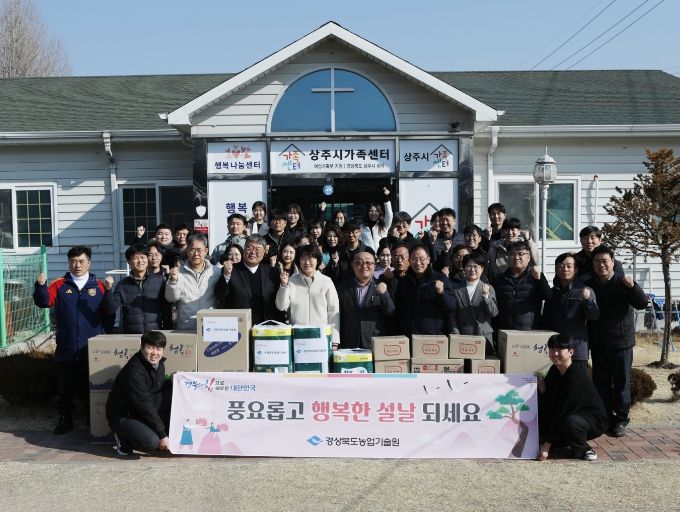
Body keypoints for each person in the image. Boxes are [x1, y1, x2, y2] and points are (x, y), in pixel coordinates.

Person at [33, 245, 114, 435]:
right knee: (65, 388)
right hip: (67, 346)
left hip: (92, 348)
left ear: (89, 263)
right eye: (73, 261)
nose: (77, 265)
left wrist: (105, 334)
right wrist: (41, 286)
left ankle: (92, 418)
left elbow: (109, 312)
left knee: (91, 386)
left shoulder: (99, 285)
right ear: (69, 263)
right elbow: (44, 301)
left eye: (81, 261)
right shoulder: (59, 284)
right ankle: (65, 419)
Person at [585, 246, 648, 437]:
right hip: (599, 343)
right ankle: (605, 418)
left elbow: (642, 303)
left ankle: (621, 419)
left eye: (605, 261)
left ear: (613, 262)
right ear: (593, 264)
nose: (601, 265)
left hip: (622, 343)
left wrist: (633, 286)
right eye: (597, 261)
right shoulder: (589, 284)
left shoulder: (623, 282)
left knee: (622, 384)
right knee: (601, 384)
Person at [537, 334, 608, 462]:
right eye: (552, 349)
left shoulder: (576, 376)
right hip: (570, 413)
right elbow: (550, 401)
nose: (555, 353)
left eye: (560, 349)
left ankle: (584, 449)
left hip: (592, 419)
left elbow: (563, 411)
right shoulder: (554, 370)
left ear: (571, 352)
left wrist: (547, 445)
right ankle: (560, 441)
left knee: (571, 422)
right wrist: (542, 387)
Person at [106, 331, 173, 456]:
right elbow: (144, 404)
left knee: (172, 393)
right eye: (150, 347)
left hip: (141, 408)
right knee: (152, 442)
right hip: (125, 415)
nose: (154, 353)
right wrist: (162, 435)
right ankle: (123, 437)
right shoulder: (134, 371)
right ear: (142, 347)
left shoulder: (158, 364)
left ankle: (155, 429)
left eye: (158, 349)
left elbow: (157, 388)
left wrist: (176, 381)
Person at [542, 252, 599, 372]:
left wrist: (588, 300)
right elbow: (545, 320)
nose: (565, 269)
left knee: (577, 382)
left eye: (569, 266)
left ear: (576, 270)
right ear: (556, 269)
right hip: (555, 350)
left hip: (577, 349)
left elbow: (594, 316)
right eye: (561, 266)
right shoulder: (551, 293)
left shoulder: (584, 290)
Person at [275, 244, 340, 348]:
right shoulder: (291, 281)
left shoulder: (326, 281)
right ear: (298, 261)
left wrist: (334, 341)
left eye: (311, 258)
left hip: (321, 337)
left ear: (317, 260)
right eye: (303, 259)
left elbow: (333, 311)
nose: (307, 262)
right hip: (298, 337)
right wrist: (284, 285)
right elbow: (281, 306)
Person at [214, 234, 283, 324]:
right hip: (239, 325)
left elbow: (278, 302)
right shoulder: (231, 270)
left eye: (258, 249)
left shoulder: (272, 272)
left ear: (264, 252)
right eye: (249, 248)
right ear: (244, 249)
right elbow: (219, 295)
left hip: (266, 326)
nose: (253, 252)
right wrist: (226, 275)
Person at [394, 244, 455, 337]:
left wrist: (441, 294)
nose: (418, 263)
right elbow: (399, 310)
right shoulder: (403, 281)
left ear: (428, 259)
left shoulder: (440, 278)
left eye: (421, 259)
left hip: (433, 336)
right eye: (414, 259)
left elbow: (450, 307)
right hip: (409, 336)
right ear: (409, 260)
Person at [337, 252, 395, 349]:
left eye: (368, 263)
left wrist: (384, 294)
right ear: (353, 266)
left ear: (374, 266)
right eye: (359, 263)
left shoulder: (382, 285)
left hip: (374, 342)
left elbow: (390, 312)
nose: (364, 266)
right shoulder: (342, 288)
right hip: (350, 342)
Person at [164, 233, 221, 330]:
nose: (196, 254)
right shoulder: (178, 273)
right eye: (192, 250)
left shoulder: (216, 272)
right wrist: (173, 281)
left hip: (211, 326)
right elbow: (171, 298)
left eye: (199, 250)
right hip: (186, 326)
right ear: (187, 251)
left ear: (206, 251)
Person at [492, 241, 551, 331]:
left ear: (528, 258)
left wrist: (540, 280)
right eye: (512, 254)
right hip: (504, 330)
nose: (516, 257)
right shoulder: (499, 279)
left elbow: (548, 296)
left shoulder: (536, 276)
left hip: (529, 330)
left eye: (520, 254)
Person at [112, 244, 170, 334]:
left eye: (143, 257)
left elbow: (166, 309)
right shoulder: (122, 285)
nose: (140, 261)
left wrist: (168, 330)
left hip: (155, 335)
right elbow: (111, 308)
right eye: (136, 258)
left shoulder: (159, 280)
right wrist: (108, 290)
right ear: (128, 261)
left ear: (147, 259)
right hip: (131, 335)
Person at [450, 253, 499, 355]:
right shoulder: (456, 289)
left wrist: (486, 296)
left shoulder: (489, 288)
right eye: (469, 266)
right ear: (464, 268)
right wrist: (455, 333)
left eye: (476, 266)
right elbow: (452, 315)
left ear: (482, 269)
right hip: (462, 335)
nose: (472, 270)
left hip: (483, 335)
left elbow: (494, 313)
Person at [359, 187, 393, 252]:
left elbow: (389, 215)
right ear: (367, 213)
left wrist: (386, 198)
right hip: (368, 256)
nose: (373, 213)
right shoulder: (361, 227)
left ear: (379, 213)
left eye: (376, 211)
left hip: (381, 256)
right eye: (371, 211)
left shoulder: (384, 226)